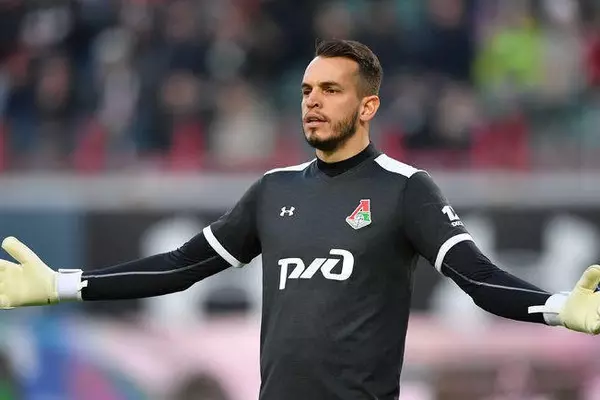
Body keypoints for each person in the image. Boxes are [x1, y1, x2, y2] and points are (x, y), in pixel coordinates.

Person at [0, 39, 599, 400]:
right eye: (308, 89)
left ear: (367, 106)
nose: (312, 100)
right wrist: (60, 283)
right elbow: (179, 267)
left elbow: (479, 277)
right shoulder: (273, 191)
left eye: (331, 90)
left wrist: (556, 307)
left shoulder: (405, 189)